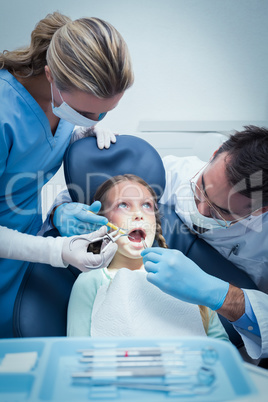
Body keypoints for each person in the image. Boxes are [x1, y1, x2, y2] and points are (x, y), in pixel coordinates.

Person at [0, 11, 133, 337]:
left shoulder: (63, 104)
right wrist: (56, 251)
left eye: (105, 111)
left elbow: (36, 151)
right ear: (50, 75)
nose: (96, 117)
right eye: (86, 112)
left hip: (27, 247)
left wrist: (79, 133)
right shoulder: (5, 113)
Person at [142, 125, 268, 359]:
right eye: (200, 188)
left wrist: (218, 294)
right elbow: (102, 190)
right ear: (215, 154)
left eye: (220, 212)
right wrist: (62, 209)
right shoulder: (171, 172)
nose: (200, 210)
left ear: (261, 210)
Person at [67, 174, 229, 340]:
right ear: (102, 223)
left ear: (155, 223)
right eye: (123, 205)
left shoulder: (184, 276)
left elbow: (221, 346)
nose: (138, 214)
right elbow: (77, 350)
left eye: (146, 205)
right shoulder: (91, 282)